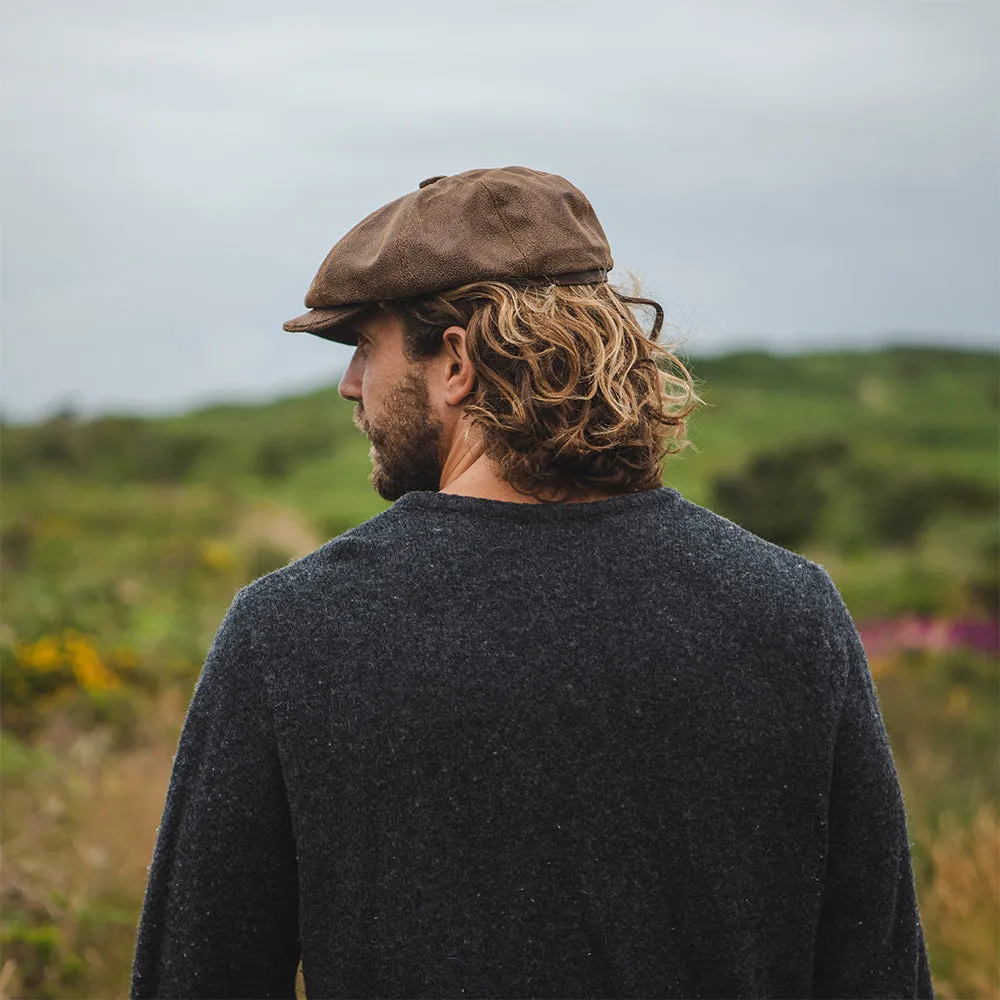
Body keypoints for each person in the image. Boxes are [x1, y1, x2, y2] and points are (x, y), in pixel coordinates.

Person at [130, 167, 934, 998]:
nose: (349, 384)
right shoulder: (790, 612)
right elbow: (879, 977)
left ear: (457, 363)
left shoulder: (291, 632)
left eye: (365, 346)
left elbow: (193, 980)